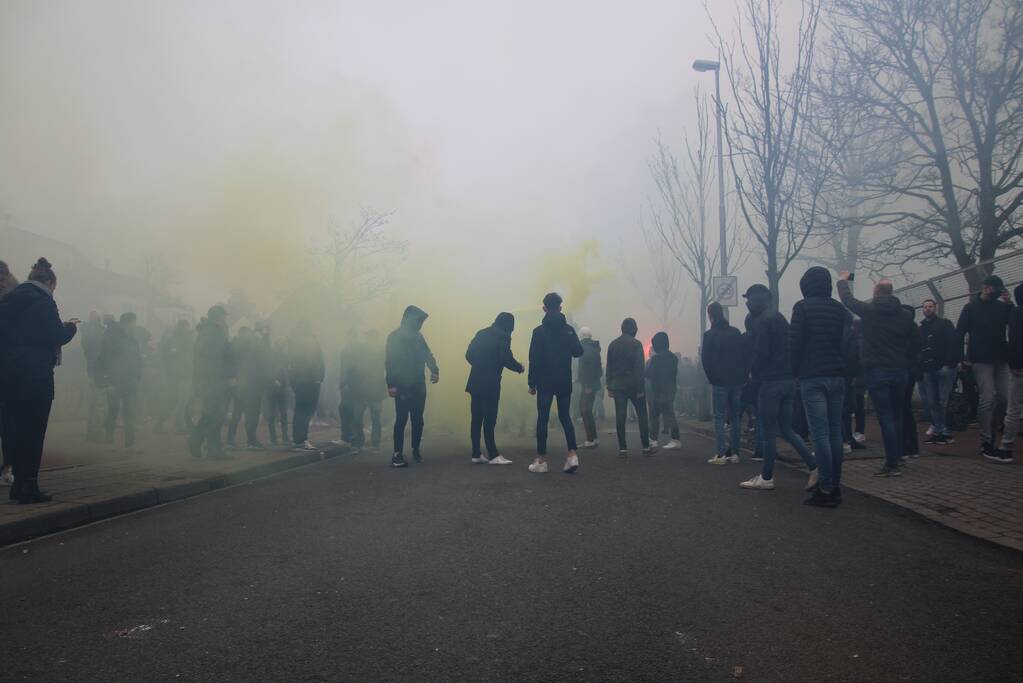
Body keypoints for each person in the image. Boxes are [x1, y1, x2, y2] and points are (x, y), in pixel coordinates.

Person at [0, 258, 78, 503]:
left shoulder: (10, 299)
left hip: (9, 374)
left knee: (14, 430)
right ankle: (28, 486)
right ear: (50, 282)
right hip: (35, 376)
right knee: (33, 432)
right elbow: (55, 334)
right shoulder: (44, 301)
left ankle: (16, 484)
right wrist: (71, 328)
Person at [837, 273, 920, 477]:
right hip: (900, 370)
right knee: (897, 414)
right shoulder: (906, 316)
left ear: (876, 292)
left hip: (877, 370)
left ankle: (891, 464)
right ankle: (899, 457)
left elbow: (847, 300)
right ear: (892, 292)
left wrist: (841, 281)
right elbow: (916, 342)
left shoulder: (870, 311)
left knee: (885, 417)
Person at [737, 284, 817, 491]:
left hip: (770, 382)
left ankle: (766, 476)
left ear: (758, 299)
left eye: (749, 299)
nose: (747, 303)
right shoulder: (779, 318)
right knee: (787, 429)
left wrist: (752, 373)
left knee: (769, 431)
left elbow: (761, 352)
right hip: (788, 381)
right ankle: (815, 466)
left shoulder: (763, 321)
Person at [789, 267, 847, 506]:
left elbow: (795, 343)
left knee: (819, 434)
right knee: (835, 432)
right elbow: (848, 342)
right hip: (837, 375)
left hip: (812, 376)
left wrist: (795, 372)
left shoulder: (801, 308)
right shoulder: (840, 309)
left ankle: (825, 488)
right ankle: (835, 485)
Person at [956, 275, 1013, 458]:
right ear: (985, 287)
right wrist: (961, 357)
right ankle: (986, 439)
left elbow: (1014, 324)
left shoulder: (1002, 307)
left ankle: (993, 429)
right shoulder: (971, 308)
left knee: (1004, 397)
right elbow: (959, 333)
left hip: (1001, 357)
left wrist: (1010, 304)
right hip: (980, 359)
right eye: (994, 288)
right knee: (987, 398)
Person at [526, 293, 584, 473]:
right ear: (560, 307)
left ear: (544, 308)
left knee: (542, 418)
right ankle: (572, 454)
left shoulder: (538, 332)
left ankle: (541, 460)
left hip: (545, 382)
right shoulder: (568, 330)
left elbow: (533, 359)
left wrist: (532, 383)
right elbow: (578, 352)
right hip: (564, 380)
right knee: (565, 417)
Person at [465, 312, 524, 465]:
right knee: (490, 419)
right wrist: (519, 367)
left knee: (476, 418)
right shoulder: (503, 336)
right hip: (491, 383)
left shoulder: (481, 332)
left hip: (475, 381)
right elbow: (506, 357)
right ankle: (493, 455)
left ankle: (476, 454)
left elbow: (469, 354)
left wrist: (480, 365)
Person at [386, 306, 439, 467]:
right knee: (401, 419)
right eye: (418, 320)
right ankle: (397, 454)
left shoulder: (418, 337)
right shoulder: (394, 337)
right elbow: (390, 362)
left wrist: (434, 370)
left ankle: (416, 450)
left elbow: (427, 354)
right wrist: (391, 384)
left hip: (418, 384)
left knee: (418, 420)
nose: (420, 323)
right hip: (402, 385)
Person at [702, 302, 747, 464]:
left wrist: (712, 378)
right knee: (735, 417)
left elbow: (705, 360)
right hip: (737, 380)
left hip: (720, 381)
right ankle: (735, 454)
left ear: (710, 316)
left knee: (719, 417)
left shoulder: (709, 335)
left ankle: (720, 454)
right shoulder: (736, 333)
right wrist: (743, 376)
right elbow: (744, 355)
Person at [188, 306, 234, 460]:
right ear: (219, 317)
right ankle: (197, 440)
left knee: (213, 414)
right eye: (224, 316)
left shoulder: (205, 332)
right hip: (215, 380)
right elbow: (221, 357)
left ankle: (214, 449)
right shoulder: (215, 332)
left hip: (208, 380)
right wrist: (229, 375)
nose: (225, 319)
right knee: (215, 415)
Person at [606, 317, 653, 457]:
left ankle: (623, 449)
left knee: (620, 417)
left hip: (618, 386)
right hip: (634, 385)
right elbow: (639, 368)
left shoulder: (613, 344)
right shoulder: (636, 344)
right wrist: (640, 389)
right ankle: (645, 446)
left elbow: (609, 367)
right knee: (642, 416)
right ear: (634, 329)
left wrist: (609, 386)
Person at [97, 311, 143, 453]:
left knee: (128, 410)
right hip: (116, 379)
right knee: (114, 409)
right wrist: (106, 381)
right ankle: (109, 436)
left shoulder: (131, 337)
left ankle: (130, 442)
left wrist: (137, 374)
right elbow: (104, 359)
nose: (135, 325)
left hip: (129, 379)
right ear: (128, 322)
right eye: (133, 322)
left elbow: (136, 357)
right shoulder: (113, 337)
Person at [919, 298, 960, 446]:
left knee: (943, 401)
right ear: (922, 309)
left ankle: (945, 431)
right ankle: (938, 430)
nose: (928, 309)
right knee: (932, 402)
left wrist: (950, 362)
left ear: (935, 308)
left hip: (943, 367)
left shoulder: (944, 324)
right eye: (925, 307)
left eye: (930, 306)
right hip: (929, 368)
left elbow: (954, 342)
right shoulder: (922, 327)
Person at [229, 322, 272, 451]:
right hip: (252, 384)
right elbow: (263, 359)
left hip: (239, 383)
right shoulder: (254, 345)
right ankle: (251, 441)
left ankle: (230, 441)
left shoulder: (234, 345)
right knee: (252, 413)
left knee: (237, 413)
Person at [993, 283, 1023, 463]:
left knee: (1013, 408)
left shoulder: (1017, 314)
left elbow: (1015, 340)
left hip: (1020, 367)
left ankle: (1006, 446)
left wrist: (1014, 364)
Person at [288, 320, 325, 452]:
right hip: (308, 381)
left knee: (302, 411)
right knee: (305, 411)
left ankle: (300, 440)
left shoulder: (294, 341)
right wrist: (318, 377)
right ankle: (300, 441)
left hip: (303, 381)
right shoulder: (308, 342)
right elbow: (317, 361)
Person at [154, 319, 194, 435]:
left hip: (173, 375)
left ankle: (159, 424)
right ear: (185, 327)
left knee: (171, 402)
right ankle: (180, 426)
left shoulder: (170, 339)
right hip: (184, 375)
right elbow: (190, 357)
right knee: (182, 401)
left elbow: (163, 357)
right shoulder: (187, 340)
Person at [349, 329, 386, 452]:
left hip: (362, 390)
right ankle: (375, 444)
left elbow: (353, 368)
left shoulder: (361, 350)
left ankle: (357, 444)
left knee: (358, 418)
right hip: (372, 389)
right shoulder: (381, 351)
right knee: (374, 418)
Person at [646, 331, 681, 450]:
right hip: (670, 390)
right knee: (669, 415)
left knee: (655, 416)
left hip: (658, 392)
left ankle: (655, 439)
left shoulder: (656, 359)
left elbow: (649, 374)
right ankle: (674, 439)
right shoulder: (673, 358)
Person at [576, 327, 603, 448]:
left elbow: (585, 368)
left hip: (588, 385)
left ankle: (590, 439)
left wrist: (587, 385)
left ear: (581, 336)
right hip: (593, 383)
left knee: (585, 410)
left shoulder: (585, 349)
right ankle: (593, 438)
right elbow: (597, 369)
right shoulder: (594, 348)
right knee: (587, 411)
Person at [266, 338, 290, 446]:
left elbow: (285, 370)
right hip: (273, 388)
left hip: (281, 387)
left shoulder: (283, 356)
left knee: (281, 413)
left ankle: (281, 437)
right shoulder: (272, 355)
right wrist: (273, 380)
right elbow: (268, 369)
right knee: (274, 413)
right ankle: (274, 437)